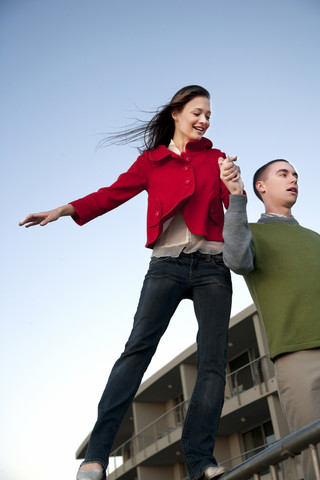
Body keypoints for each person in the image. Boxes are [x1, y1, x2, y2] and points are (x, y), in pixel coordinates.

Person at [20, 86, 240, 480]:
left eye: (209, 115)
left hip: (212, 266)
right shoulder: (151, 162)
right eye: (197, 112)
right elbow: (111, 194)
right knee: (136, 352)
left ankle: (201, 461)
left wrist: (234, 184)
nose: (204, 120)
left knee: (212, 362)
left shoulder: (216, 159)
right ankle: (96, 457)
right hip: (166, 266)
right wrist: (64, 209)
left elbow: (233, 208)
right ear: (176, 113)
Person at [219, 157, 320, 480]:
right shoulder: (251, 233)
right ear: (261, 186)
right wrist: (236, 197)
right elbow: (235, 259)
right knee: (315, 458)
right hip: (297, 355)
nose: (293, 179)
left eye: (295, 175)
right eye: (283, 173)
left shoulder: (315, 238)